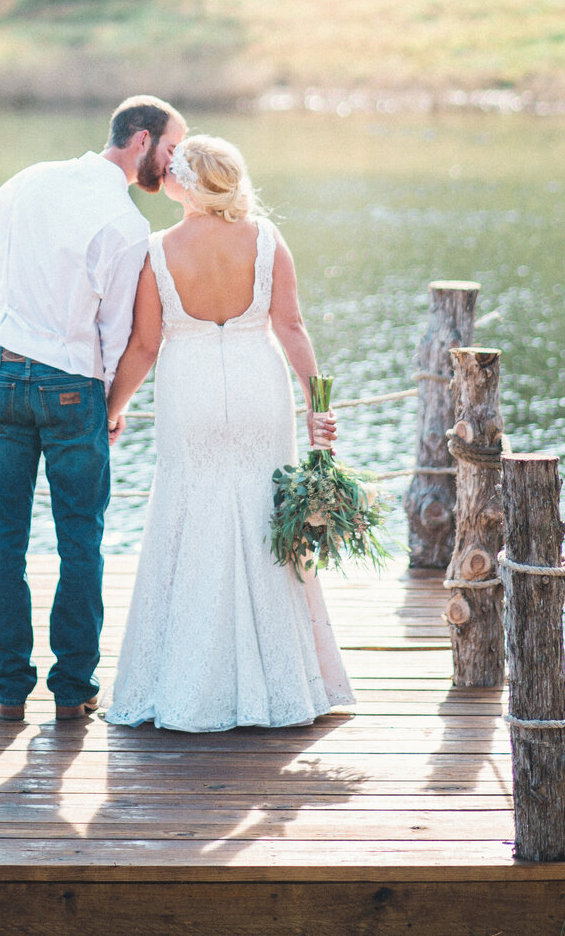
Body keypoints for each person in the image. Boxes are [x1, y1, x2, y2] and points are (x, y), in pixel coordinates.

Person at [104, 133, 355, 730]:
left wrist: (111, 410)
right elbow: (291, 326)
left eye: (172, 172)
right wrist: (318, 405)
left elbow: (143, 346)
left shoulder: (159, 249)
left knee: (188, 515)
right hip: (257, 389)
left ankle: (190, 685)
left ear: (188, 184)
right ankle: (281, 685)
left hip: (188, 392)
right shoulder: (265, 239)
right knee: (266, 517)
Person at [0, 95, 187, 722]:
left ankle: (7, 691)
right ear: (143, 139)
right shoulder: (125, 226)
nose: (174, 165)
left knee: (3, 538)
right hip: (73, 389)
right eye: (173, 149)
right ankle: (73, 691)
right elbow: (119, 335)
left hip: (4, 373)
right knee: (80, 541)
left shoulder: (21, 184)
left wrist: (4, 359)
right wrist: (112, 407)